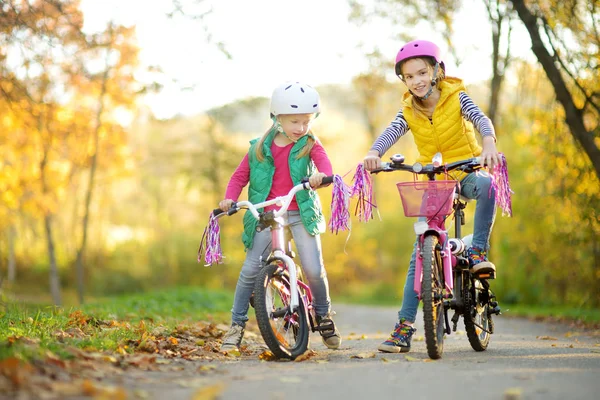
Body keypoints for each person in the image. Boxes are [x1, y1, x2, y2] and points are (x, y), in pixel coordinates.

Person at [362, 39, 502, 354]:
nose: (416, 81)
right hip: (436, 181)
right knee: (421, 251)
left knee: (488, 186)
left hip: (465, 170)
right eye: (409, 77)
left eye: (422, 72)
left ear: (437, 70)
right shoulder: (408, 109)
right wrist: (374, 152)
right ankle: (403, 328)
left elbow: (480, 119)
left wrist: (489, 143)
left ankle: (477, 251)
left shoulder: (456, 96)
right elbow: (391, 132)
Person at [219, 81, 342, 352]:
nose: (301, 128)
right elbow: (239, 176)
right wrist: (230, 197)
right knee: (250, 269)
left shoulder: (310, 144)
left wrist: (320, 176)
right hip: (266, 214)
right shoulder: (259, 149)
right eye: (295, 121)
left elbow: (325, 164)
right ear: (277, 118)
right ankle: (236, 325)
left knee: (313, 268)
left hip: (301, 213)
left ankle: (323, 316)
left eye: (306, 121)